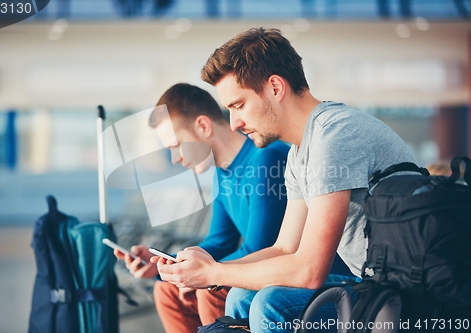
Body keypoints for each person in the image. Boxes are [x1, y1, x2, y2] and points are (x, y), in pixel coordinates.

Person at [152, 28, 418, 333]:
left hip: (400, 291)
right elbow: (284, 248)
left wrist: (215, 272)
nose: (234, 123)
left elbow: (309, 271)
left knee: (271, 303)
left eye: (238, 105)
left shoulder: (334, 136)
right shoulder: (299, 152)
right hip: (368, 282)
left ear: (275, 87)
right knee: (241, 295)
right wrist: (211, 270)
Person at [114, 83, 290, 333]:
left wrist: (203, 276)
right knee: (166, 289)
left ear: (204, 126)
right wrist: (166, 266)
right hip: (255, 267)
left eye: (176, 145)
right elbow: (219, 242)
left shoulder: (266, 158)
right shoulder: (222, 172)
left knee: (210, 292)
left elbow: (259, 249)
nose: (175, 158)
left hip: (279, 271)